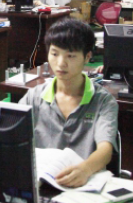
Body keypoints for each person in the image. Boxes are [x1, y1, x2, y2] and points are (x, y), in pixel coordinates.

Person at [19, 19, 118, 188]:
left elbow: (105, 150)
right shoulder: (34, 96)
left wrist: (85, 169)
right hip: (42, 183)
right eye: (55, 54)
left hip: (85, 184)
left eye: (70, 56)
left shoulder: (103, 101)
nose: (61, 63)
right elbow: (12, 135)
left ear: (87, 57)